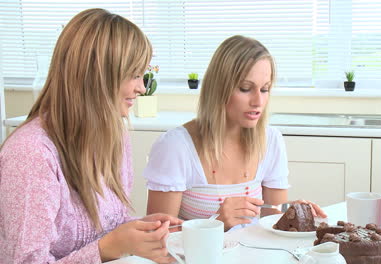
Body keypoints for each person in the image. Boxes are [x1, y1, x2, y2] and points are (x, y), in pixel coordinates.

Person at [0, 8, 182, 264]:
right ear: (97, 77)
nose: (141, 88)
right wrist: (108, 247)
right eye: (134, 75)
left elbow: (110, 225)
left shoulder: (114, 134)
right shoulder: (31, 154)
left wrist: (140, 230)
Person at [144, 35, 326, 231]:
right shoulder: (176, 146)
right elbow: (157, 238)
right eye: (245, 88)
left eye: (265, 89)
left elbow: (273, 219)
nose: (258, 101)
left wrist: (292, 213)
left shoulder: (271, 140)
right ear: (219, 89)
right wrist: (216, 224)